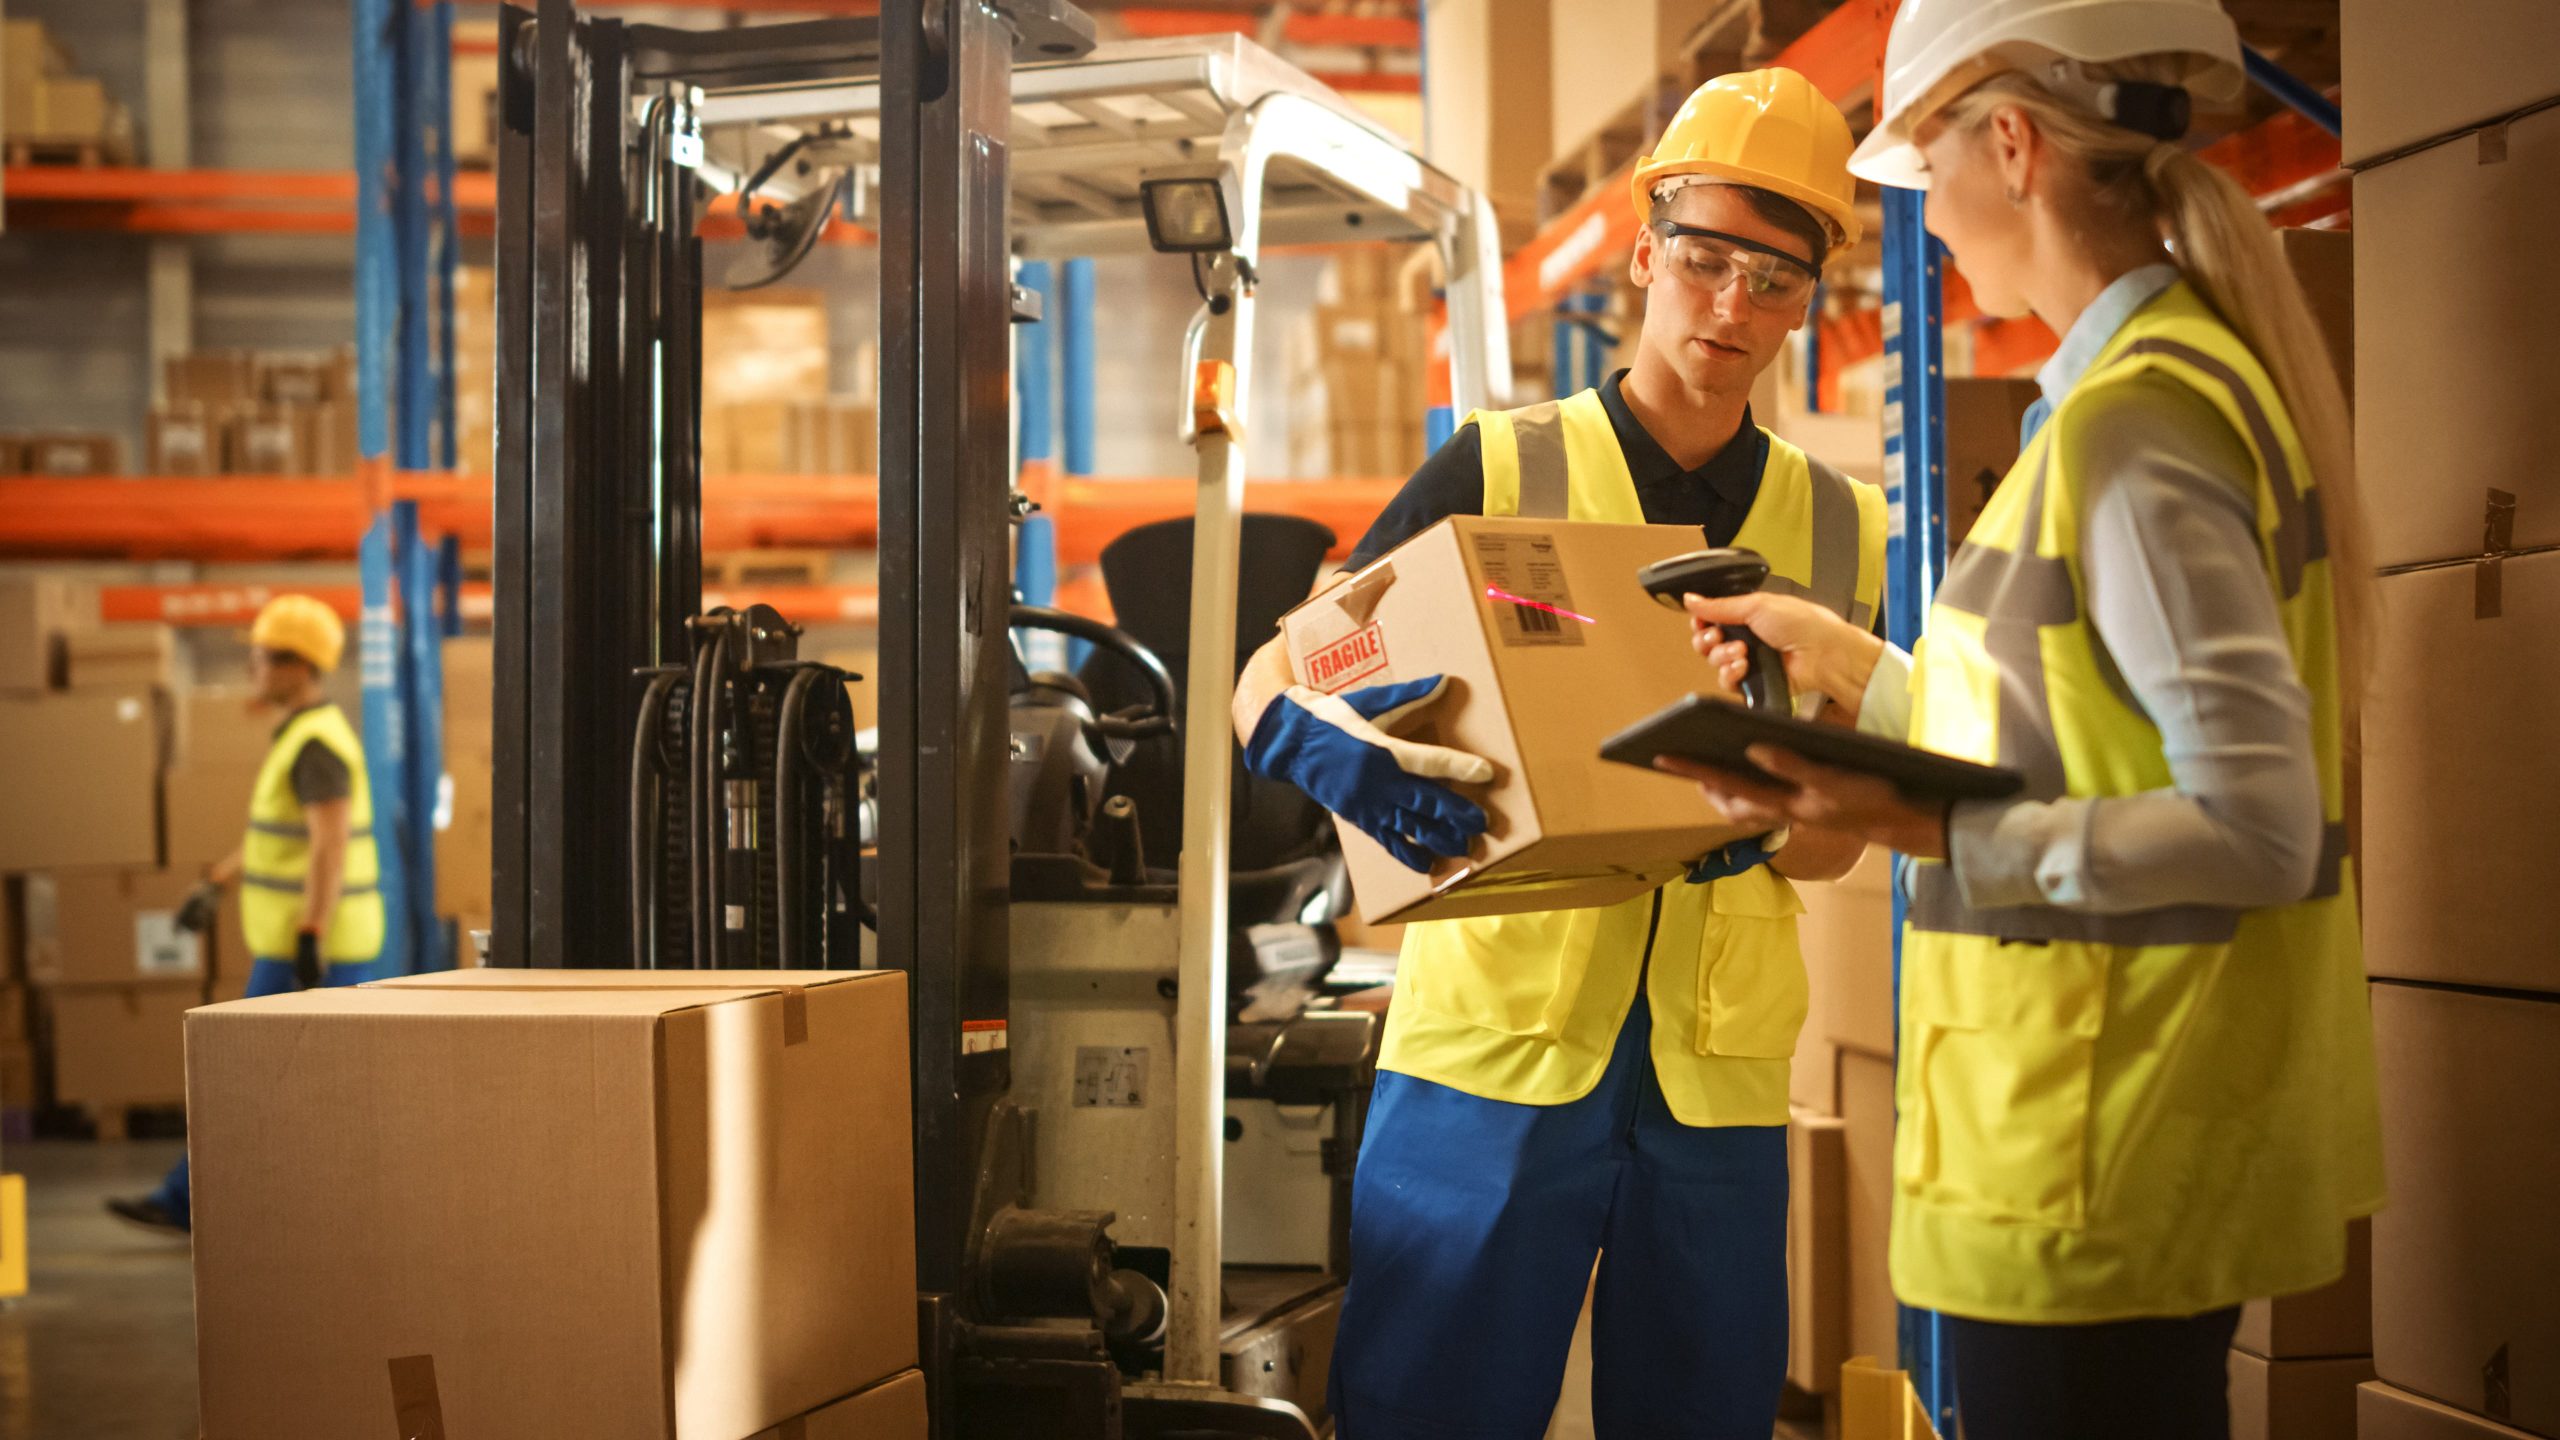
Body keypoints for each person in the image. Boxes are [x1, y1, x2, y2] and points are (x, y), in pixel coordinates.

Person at [1666, 5, 2383, 1437]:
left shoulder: (2137, 427)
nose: (1926, 218)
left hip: (2095, 1148)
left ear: (2012, 146)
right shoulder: (2140, 397)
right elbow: (2062, 726)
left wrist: (1925, 822)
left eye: (1927, 164)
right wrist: (1842, 660)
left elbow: (2255, 825)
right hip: (2088, 1134)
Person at [1231, 69, 1888, 1439]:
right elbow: (1271, 675)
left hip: (1713, 1079)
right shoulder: (1499, 466)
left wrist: (1769, 814)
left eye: (1774, 281)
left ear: (1806, 300)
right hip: (1489, 1065)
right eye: (1704, 261)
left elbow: (1834, 850)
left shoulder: (1840, 528)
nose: (1731, 308)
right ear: (1645, 254)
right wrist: (1328, 748)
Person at [108, 593, 387, 1236]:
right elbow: (280, 841)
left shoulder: (316, 746)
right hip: (306, 944)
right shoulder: (300, 736)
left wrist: (312, 932)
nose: (252, 668)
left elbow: (329, 847)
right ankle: (210, 1202)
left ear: (299, 665)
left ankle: (186, 1202)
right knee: (274, 1083)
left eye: (261, 657)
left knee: (239, 1078)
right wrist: (219, 880)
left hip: (312, 950)